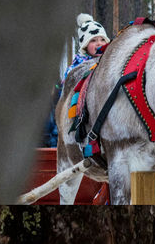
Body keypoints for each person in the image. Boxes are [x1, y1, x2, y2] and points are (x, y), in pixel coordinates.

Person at [42, 13, 110, 147]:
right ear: (84, 45)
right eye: (93, 40)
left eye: (102, 39)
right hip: (76, 116)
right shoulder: (77, 68)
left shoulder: (108, 64)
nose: (99, 44)